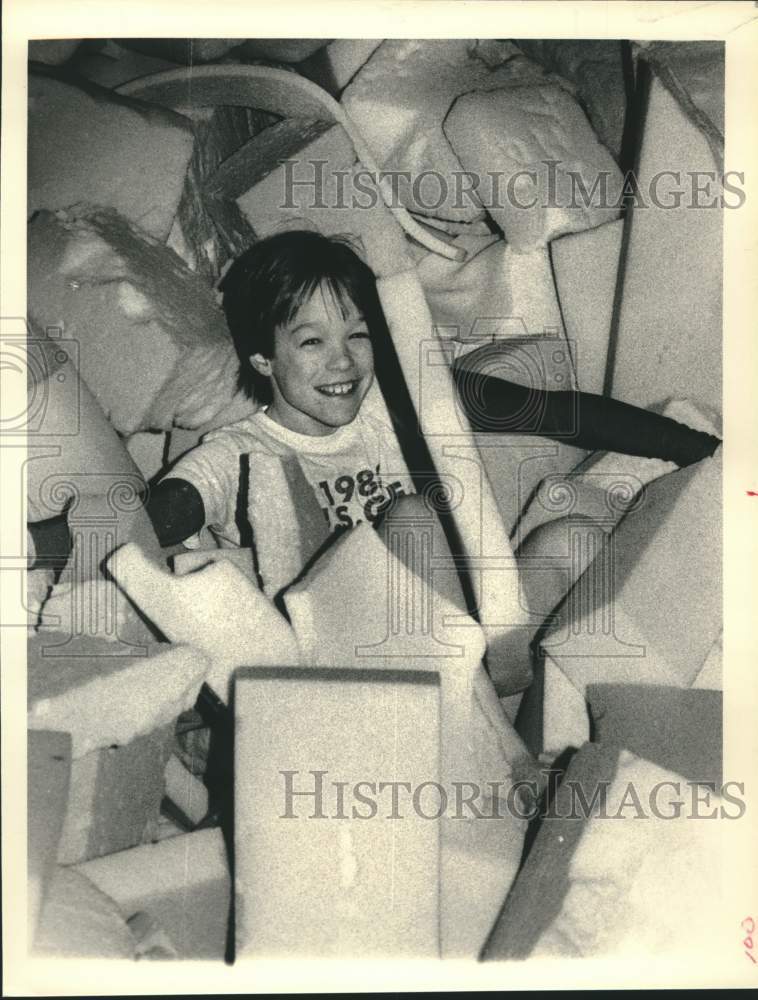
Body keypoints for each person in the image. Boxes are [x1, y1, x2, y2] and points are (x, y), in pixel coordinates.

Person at [29, 229, 721, 587]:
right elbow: (141, 521)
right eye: (312, 342)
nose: (343, 363)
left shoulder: (401, 401)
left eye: (357, 335)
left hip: (471, 623)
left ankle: (520, 711)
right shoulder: (237, 456)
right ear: (262, 358)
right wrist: (23, 551)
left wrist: (701, 452)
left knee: (571, 540)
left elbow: (560, 413)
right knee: (412, 518)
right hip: (356, 660)